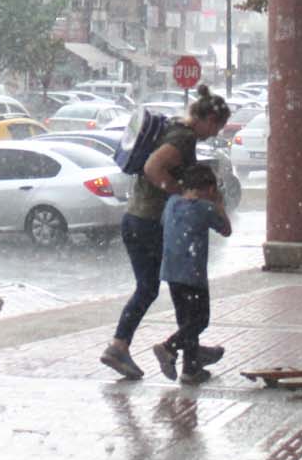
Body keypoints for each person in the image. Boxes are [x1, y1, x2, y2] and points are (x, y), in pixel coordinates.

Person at [99, 85, 231, 381]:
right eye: (217, 127)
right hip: (149, 221)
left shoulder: (175, 128)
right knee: (180, 289)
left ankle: (187, 350)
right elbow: (152, 167)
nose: (215, 134)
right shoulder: (183, 137)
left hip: (136, 217)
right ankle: (176, 350)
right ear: (209, 119)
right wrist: (180, 193)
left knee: (158, 288)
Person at [158, 162, 232, 384]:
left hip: (171, 272)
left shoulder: (172, 203)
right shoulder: (204, 208)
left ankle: (190, 369)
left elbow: (164, 224)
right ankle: (168, 347)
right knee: (200, 320)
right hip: (193, 274)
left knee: (186, 323)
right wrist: (218, 204)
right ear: (210, 189)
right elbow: (226, 230)